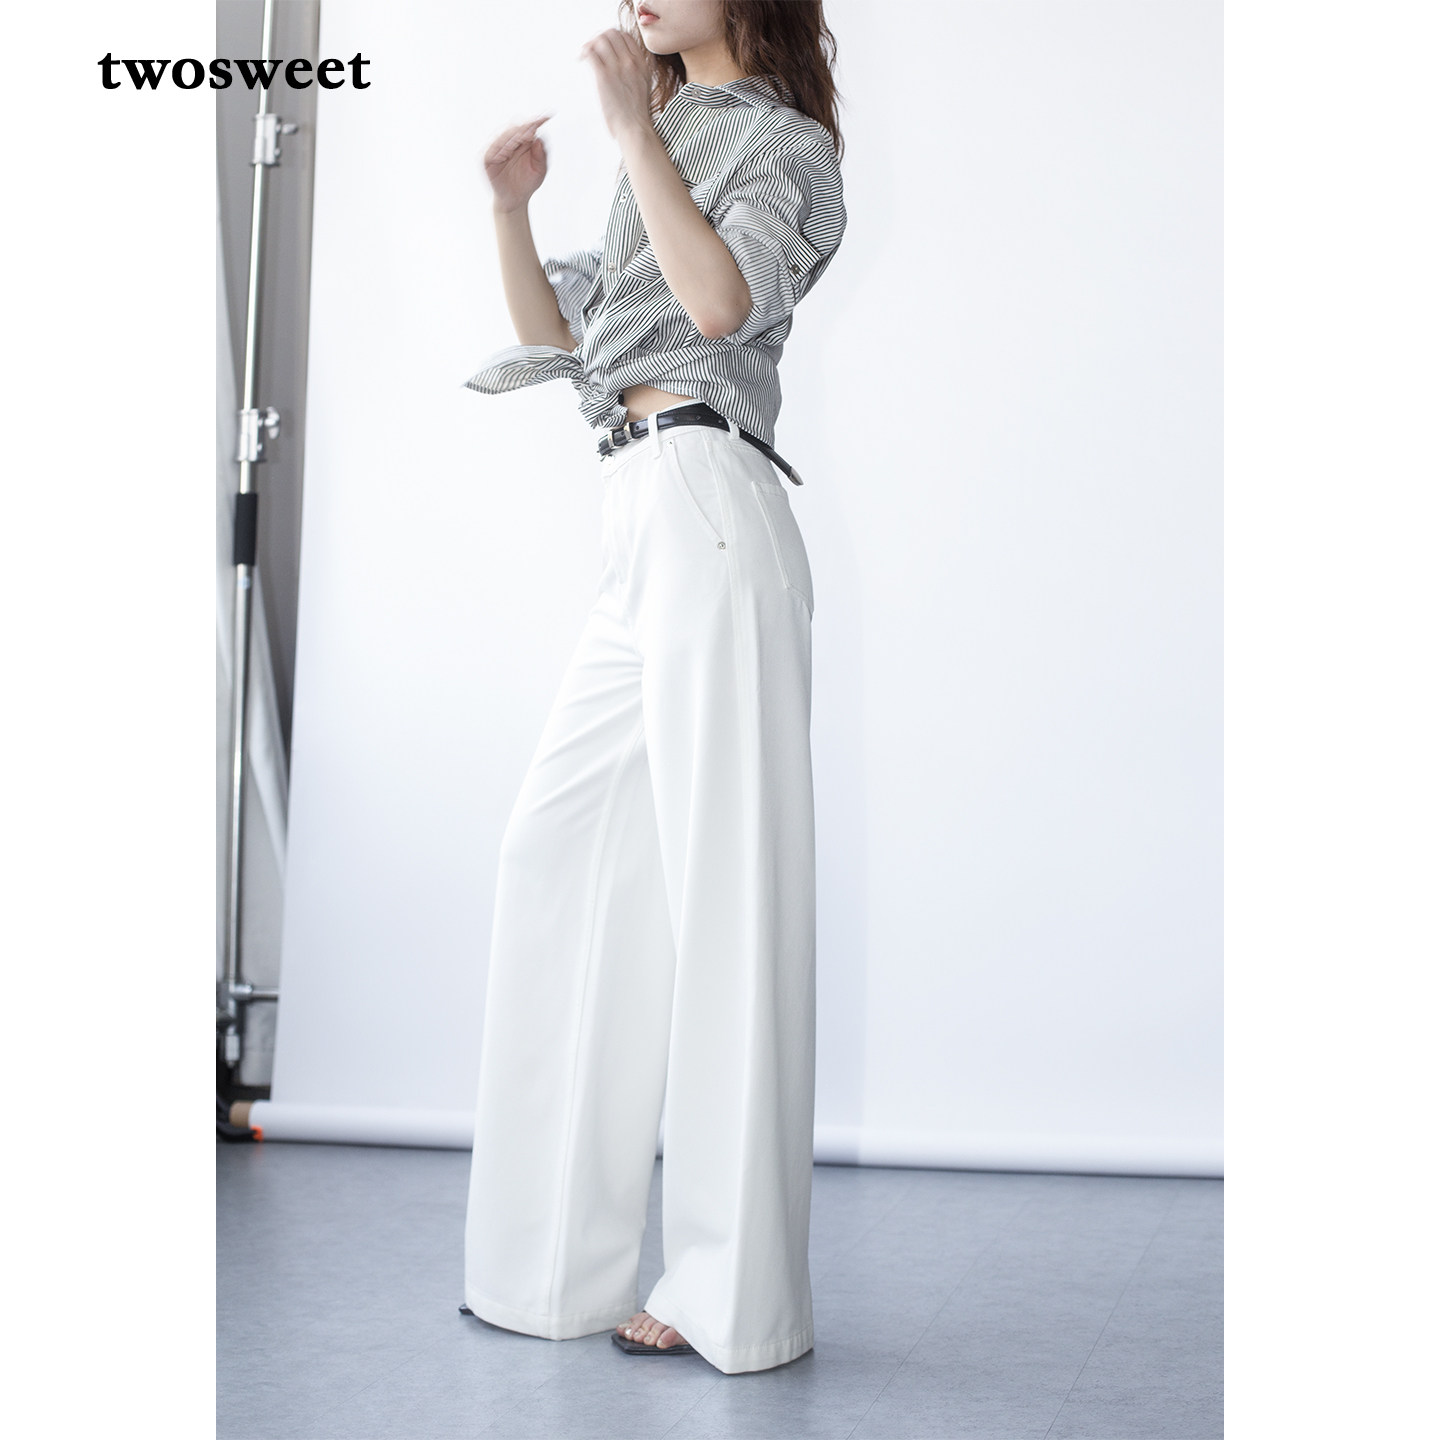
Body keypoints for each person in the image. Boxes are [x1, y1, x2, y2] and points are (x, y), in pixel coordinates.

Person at [460, 0, 845, 1376]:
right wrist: (512, 211)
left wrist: (632, 134)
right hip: (633, 515)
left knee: (726, 895)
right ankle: (545, 1264)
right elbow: (566, 339)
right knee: (557, 856)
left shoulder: (785, 147)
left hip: (712, 497)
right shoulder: (669, 138)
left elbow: (721, 304)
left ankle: (734, 1293)